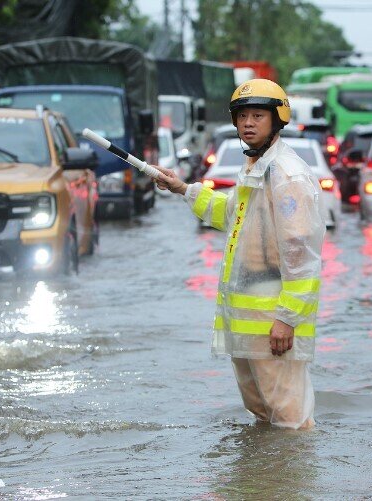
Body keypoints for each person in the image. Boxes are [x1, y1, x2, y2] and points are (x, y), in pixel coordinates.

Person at [154, 79, 325, 430]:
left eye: (258, 116)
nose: (248, 123)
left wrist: (287, 318)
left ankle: (291, 483)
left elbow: (300, 252)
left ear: (278, 119)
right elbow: (233, 215)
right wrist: (183, 189)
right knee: (263, 415)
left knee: (289, 418)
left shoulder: (286, 174)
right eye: (242, 115)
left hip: (275, 323)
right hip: (248, 321)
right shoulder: (256, 167)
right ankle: (264, 481)